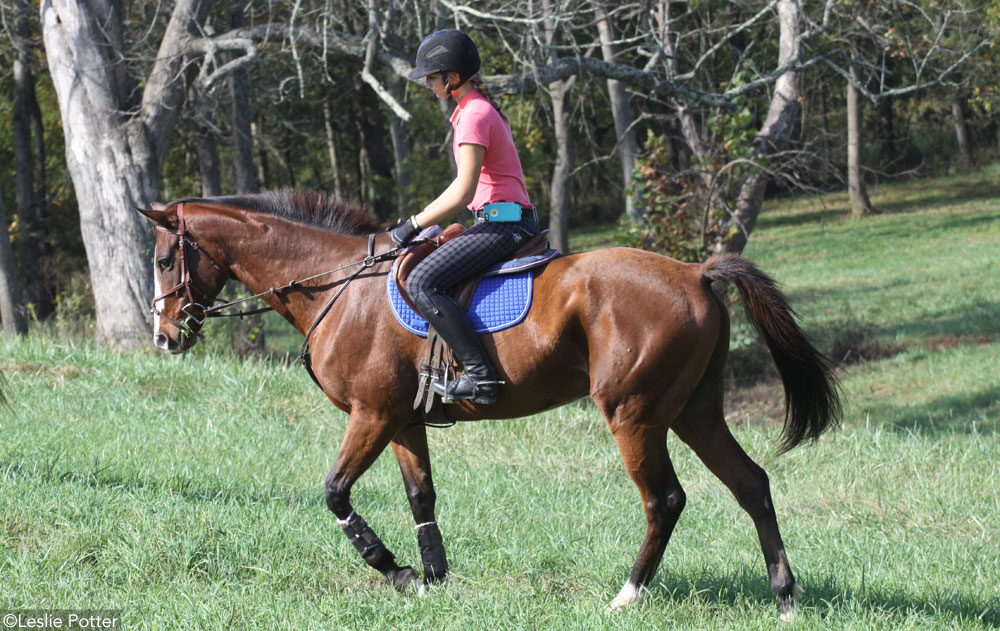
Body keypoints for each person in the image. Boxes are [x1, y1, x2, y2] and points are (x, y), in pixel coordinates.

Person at [391, 29, 538, 405]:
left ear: (452, 78)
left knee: (422, 281)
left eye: (432, 76)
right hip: (498, 220)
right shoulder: (475, 108)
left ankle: (480, 378)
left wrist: (412, 224)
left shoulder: (474, 114)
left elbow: (463, 191)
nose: (427, 84)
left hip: (505, 224)